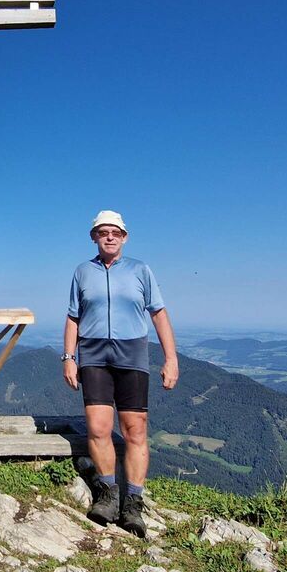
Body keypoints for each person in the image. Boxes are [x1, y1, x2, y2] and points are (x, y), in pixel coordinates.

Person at [61, 210, 179, 537]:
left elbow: (159, 314)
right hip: (93, 353)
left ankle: (133, 503)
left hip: (132, 353)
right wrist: (69, 357)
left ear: (124, 237)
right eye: (103, 232)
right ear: (94, 237)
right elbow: (73, 317)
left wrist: (171, 358)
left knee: (135, 430)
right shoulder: (83, 272)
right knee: (98, 428)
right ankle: (108, 495)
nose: (109, 237)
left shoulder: (141, 270)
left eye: (115, 232)